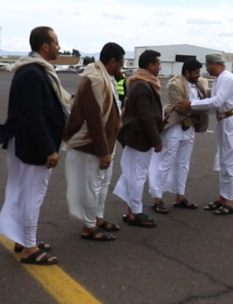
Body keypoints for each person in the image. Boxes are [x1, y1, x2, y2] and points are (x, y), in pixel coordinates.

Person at [0, 26, 71, 265]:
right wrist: (48, 149)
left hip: (27, 142)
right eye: (56, 42)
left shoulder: (35, 70)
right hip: (33, 146)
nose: (59, 47)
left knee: (23, 193)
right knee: (32, 196)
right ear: (45, 46)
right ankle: (29, 248)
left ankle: (23, 239)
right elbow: (33, 116)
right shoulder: (33, 73)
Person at [64, 42, 124, 242]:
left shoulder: (106, 78)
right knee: (91, 186)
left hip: (106, 143)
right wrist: (103, 151)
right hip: (92, 145)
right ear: (112, 61)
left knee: (102, 183)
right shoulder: (95, 79)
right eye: (120, 63)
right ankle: (88, 227)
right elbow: (94, 119)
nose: (121, 68)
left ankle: (97, 218)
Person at [176, 53, 233, 216]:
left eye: (207, 65)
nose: (206, 68)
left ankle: (232, 201)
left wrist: (191, 104)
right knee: (224, 161)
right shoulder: (218, 80)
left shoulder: (227, 79)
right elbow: (213, 104)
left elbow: (216, 102)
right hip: (225, 120)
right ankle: (223, 197)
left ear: (214, 64)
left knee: (232, 162)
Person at [148, 58, 209, 214]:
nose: (199, 75)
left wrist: (197, 106)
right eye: (196, 72)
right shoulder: (174, 85)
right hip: (175, 127)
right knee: (166, 161)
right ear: (187, 72)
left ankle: (179, 197)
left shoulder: (200, 84)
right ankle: (157, 198)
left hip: (189, 127)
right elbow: (182, 108)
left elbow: (204, 105)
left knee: (183, 164)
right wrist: (201, 107)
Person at [113, 50, 163, 228]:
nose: (159, 67)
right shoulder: (142, 85)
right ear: (150, 65)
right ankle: (136, 212)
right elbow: (145, 116)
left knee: (131, 173)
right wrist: (156, 140)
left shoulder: (140, 83)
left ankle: (130, 211)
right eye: (158, 64)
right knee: (137, 175)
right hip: (140, 138)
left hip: (136, 137)